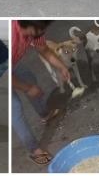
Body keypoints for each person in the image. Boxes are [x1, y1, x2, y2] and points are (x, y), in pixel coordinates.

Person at [12, 20, 70, 165]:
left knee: (29, 78)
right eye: (39, 29)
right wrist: (27, 88)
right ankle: (34, 149)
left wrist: (61, 66)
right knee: (15, 109)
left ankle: (45, 114)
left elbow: (44, 50)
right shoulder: (12, 35)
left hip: (12, 62)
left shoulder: (37, 29)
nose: (41, 33)